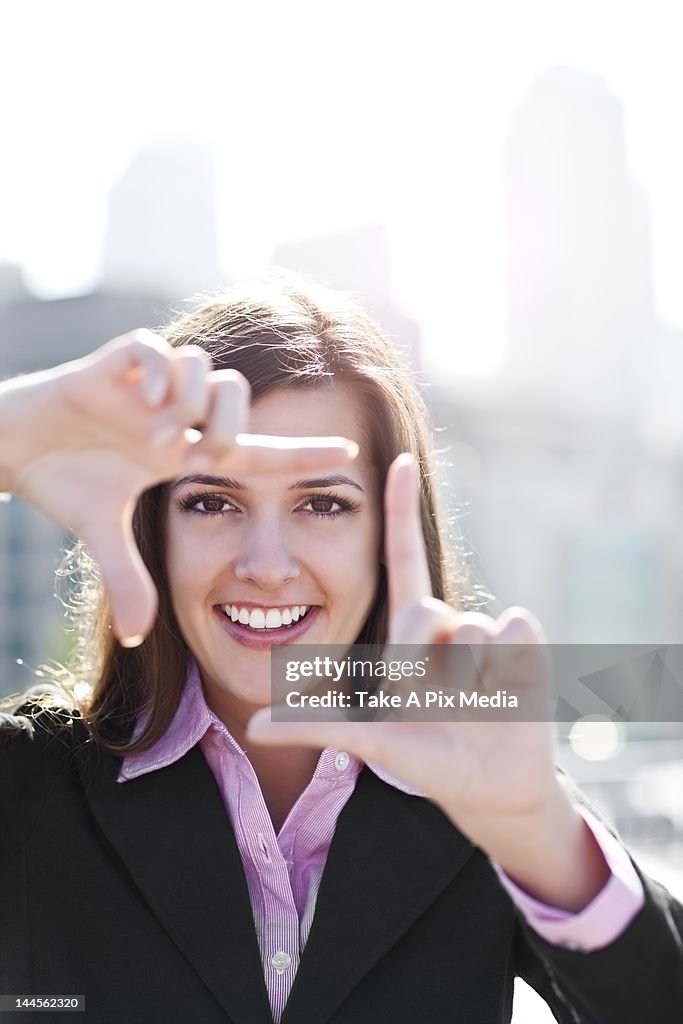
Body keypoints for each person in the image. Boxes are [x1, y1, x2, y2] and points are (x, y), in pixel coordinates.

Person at [0, 273, 681, 1024]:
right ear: (151, 527)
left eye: (322, 504)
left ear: (387, 540)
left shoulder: (480, 775)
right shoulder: (28, 785)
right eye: (211, 502)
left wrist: (541, 838)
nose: (265, 563)